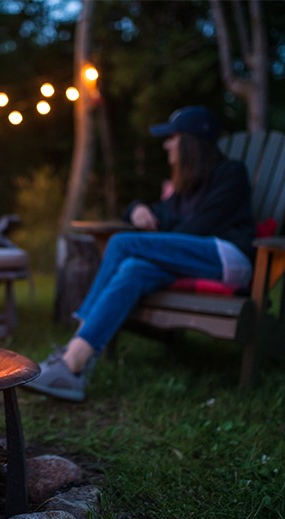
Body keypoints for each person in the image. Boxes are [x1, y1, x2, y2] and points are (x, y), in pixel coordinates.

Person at [24, 106, 256, 402]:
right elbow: (156, 215)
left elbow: (196, 230)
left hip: (226, 258)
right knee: (133, 267)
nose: (166, 145)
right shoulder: (186, 190)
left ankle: (75, 352)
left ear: (191, 141)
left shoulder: (231, 173)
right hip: (188, 260)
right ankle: (73, 371)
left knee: (122, 244)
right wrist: (138, 209)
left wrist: (156, 234)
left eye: (171, 138)